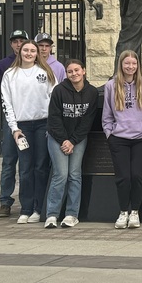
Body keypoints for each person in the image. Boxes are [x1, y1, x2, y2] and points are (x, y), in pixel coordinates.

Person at [1, 40, 57, 224]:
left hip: (42, 125)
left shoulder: (45, 72)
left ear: (38, 53)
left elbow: (54, 98)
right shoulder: (10, 74)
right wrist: (14, 128)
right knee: (25, 168)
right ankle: (25, 208)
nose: (29, 53)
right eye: (26, 50)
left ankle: (38, 209)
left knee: (41, 167)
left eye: (33, 50)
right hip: (22, 127)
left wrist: (51, 125)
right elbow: (7, 103)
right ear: (20, 51)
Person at [44, 60, 98, 229]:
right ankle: (52, 214)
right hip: (57, 138)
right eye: (70, 71)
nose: (74, 74)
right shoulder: (59, 90)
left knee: (74, 175)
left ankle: (71, 214)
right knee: (60, 175)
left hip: (78, 139)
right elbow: (54, 118)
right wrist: (64, 140)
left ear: (84, 71)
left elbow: (88, 120)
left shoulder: (92, 92)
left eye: (77, 70)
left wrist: (73, 140)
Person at [104, 50, 142, 229]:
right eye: (127, 63)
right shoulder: (111, 85)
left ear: (137, 66)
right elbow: (107, 114)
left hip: (141, 137)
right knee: (123, 177)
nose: (130, 67)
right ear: (121, 65)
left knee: (138, 175)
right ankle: (123, 211)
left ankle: (135, 212)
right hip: (119, 138)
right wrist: (110, 133)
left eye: (134, 64)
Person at [0, 29, 28, 217]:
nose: (18, 44)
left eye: (22, 41)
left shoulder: (34, 65)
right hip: (11, 118)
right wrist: (10, 100)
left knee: (29, 162)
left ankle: (28, 201)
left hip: (31, 119)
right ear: (11, 44)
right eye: (15, 41)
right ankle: (5, 201)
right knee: (9, 161)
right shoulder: (3, 64)